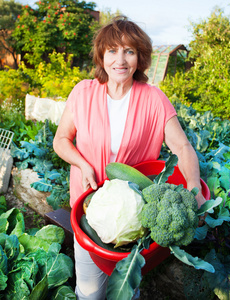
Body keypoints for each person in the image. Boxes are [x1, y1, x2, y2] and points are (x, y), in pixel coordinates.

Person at [53, 16, 206, 300]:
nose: (120, 60)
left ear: (140, 58)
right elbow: (61, 140)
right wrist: (82, 163)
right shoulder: (83, 93)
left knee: (126, 291)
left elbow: (183, 148)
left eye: (129, 51)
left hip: (133, 219)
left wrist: (195, 188)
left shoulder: (154, 99)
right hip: (88, 210)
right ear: (102, 55)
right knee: (89, 292)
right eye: (112, 50)